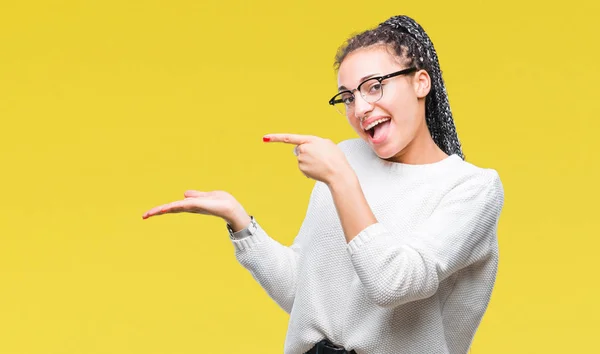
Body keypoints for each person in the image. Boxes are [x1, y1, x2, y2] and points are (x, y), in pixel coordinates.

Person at [142, 14, 504, 354]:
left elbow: (396, 283)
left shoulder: (472, 189)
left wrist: (341, 178)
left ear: (420, 82)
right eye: (348, 97)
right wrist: (241, 223)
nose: (360, 108)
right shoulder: (346, 158)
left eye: (374, 87)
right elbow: (304, 293)